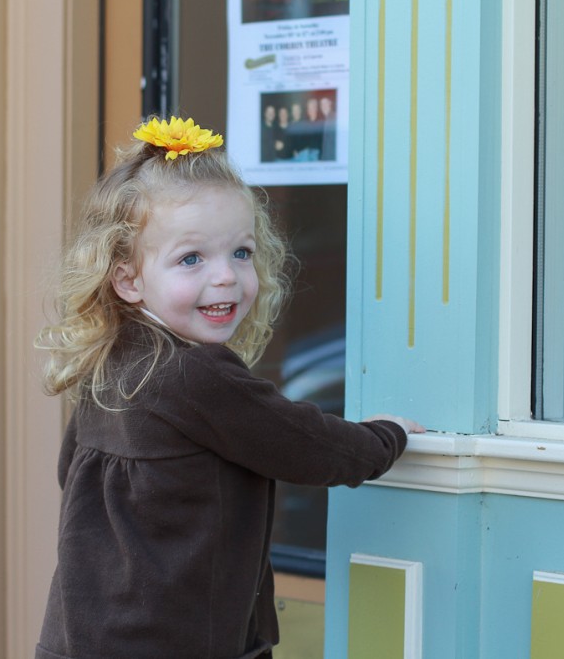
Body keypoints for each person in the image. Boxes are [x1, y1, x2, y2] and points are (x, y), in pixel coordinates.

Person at [35, 116, 423, 659]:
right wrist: (389, 435)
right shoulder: (196, 375)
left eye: (241, 253)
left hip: (82, 637)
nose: (225, 276)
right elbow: (309, 447)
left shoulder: (113, 359)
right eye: (191, 259)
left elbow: (68, 470)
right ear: (127, 278)